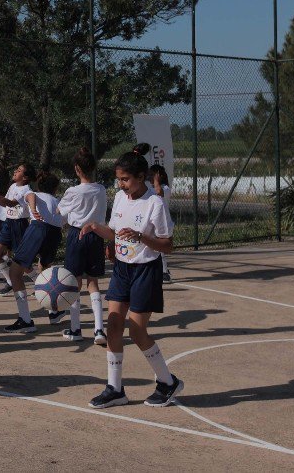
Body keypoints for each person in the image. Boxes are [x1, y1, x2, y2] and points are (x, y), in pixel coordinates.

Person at [78, 144, 183, 409]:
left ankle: (168, 382)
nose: (121, 185)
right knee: (113, 326)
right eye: (119, 179)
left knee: (137, 331)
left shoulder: (155, 203)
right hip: (123, 270)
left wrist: (142, 237)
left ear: (140, 177)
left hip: (145, 271)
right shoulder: (122, 198)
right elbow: (114, 232)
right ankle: (115, 389)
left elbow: (167, 245)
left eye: (125, 179)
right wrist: (95, 228)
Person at [2, 171, 65, 333]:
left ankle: (25, 320)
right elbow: (63, 219)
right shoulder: (57, 201)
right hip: (55, 233)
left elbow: (31, 197)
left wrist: (32, 209)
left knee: (15, 273)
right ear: (55, 188)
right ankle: (54, 312)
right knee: (44, 270)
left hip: (38, 228)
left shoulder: (32, 192)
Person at [58, 146, 109, 345]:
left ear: (77, 169)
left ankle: (76, 328)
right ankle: (99, 330)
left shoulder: (72, 191)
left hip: (77, 235)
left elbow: (60, 212)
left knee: (74, 283)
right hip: (96, 235)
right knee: (93, 283)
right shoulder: (101, 189)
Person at [0, 163, 37, 297]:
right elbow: (3, 202)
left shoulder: (26, 190)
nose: (15, 171)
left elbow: (11, 203)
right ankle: (10, 281)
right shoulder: (13, 186)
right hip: (8, 223)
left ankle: (40, 285)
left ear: (25, 177)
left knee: (23, 263)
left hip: (19, 225)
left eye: (18, 171)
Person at [148, 164, 174, 284]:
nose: (150, 177)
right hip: (151, 221)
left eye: (152, 175)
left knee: (160, 248)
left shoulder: (165, 188)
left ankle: (165, 272)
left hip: (163, 221)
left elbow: (159, 192)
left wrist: (156, 180)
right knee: (152, 247)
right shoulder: (150, 189)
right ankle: (158, 271)